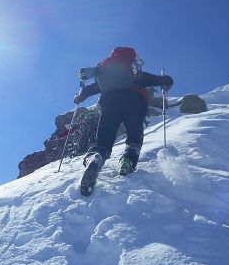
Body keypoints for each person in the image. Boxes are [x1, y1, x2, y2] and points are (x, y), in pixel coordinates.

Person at [74, 47, 173, 195]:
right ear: (132, 60)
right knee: (134, 138)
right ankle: (128, 160)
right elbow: (160, 80)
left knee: (103, 142)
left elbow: (90, 90)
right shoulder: (136, 74)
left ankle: (96, 158)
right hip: (134, 103)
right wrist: (167, 82)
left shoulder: (106, 73)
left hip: (109, 103)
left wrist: (79, 98)